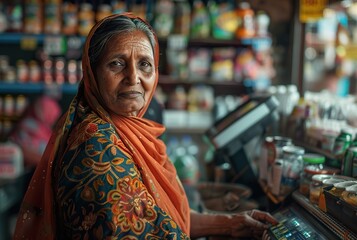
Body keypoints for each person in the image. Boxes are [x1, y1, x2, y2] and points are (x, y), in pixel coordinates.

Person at [13, 13, 278, 239]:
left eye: (144, 65)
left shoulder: (131, 132)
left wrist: (232, 223)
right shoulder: (96, 145)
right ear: (92, 73)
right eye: (116, 63)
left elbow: (158, 218)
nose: (133, 77)